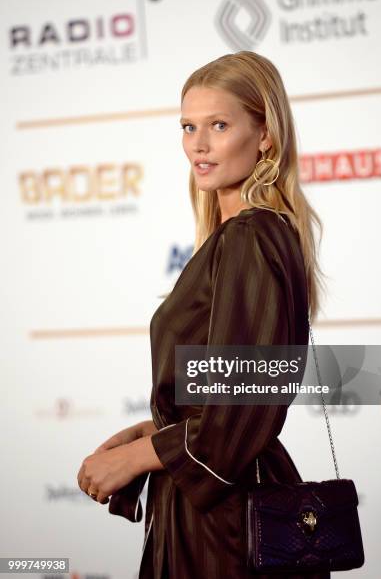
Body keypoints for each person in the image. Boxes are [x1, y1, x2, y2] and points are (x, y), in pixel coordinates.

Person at [77, 51, 326, 578]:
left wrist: (138, 457)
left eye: (219, 124)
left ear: (265, 135)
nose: (199, 144)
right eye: (189, 126)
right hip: (215, 508)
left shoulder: (251, 237)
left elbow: (241, 413)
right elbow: (228, 391)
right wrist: (151, 429)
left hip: (227, 522)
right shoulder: (247, 236)